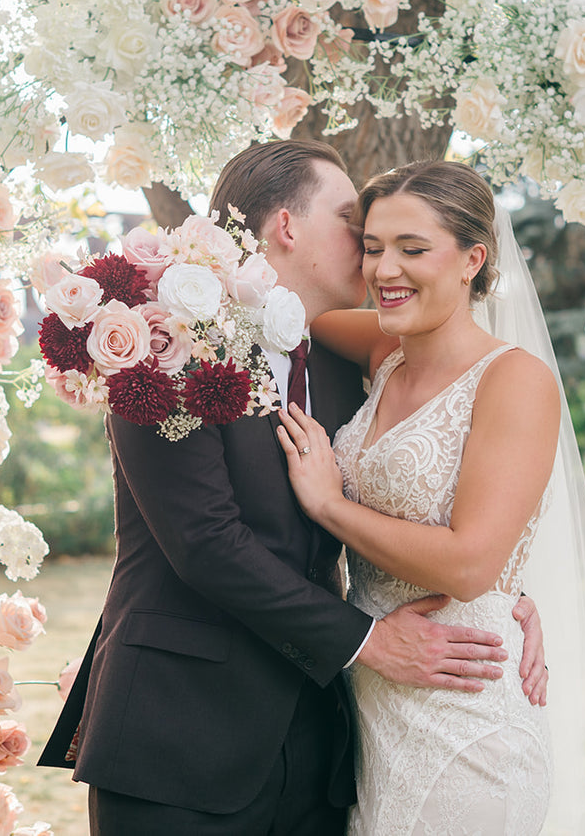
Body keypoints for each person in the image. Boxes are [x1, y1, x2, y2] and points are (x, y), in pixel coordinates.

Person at [38, 140, 548, 836]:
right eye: (356, 228)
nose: (373, 258)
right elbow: (204, 542)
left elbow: (432, 483)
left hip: (321, 743)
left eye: (401, 245)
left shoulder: (344, 361)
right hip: (178, 733)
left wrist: (499, 595)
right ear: (286, 225)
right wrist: (368, 640)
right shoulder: (165, 346)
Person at [276, 160, 585, 835]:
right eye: (373, 247)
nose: (385, 270)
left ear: (473, 259)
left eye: (413, 249)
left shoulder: (514, 380)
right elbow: (288, 314)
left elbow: (470, 565)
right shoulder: (384, 352)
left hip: (467, 717)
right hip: (375, 710)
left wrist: (329, 504)